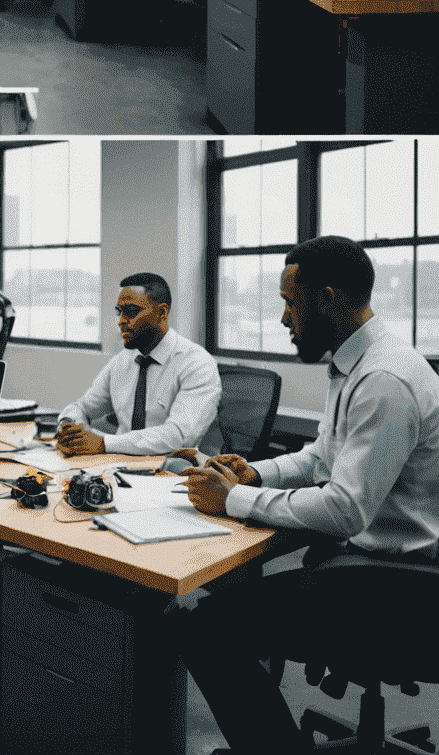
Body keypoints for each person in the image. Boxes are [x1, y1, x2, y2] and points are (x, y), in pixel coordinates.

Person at [174, 236, 439, 755]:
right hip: (367, 564)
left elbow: (344, 508)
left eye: (290, 303)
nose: (283, 319)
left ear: (329, 298)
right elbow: (320, 459)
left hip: (395, 584)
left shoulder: (384, 379)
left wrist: (232, 500)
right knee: (225, 614)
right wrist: (253, 474)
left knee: (205, 627)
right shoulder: (356, 363)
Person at [54, 272, 221, 456]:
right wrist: (68, 425)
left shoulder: (197, 364)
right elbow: (82, 407)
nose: (121, 321)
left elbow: (178, 436)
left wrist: (103, 443)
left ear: (162, 312)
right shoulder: (122, 361)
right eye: (119, 311)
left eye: (132, 312)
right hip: (116, 465)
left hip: (172, 469)